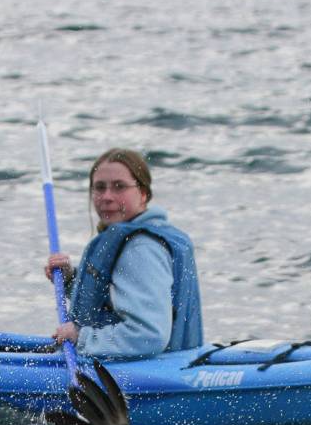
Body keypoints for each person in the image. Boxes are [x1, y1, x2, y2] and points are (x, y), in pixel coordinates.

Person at [44, 148, 204, 359]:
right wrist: (69, 280)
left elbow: (149, 336)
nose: (107, 197)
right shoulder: (146, 238)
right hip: (173, 363)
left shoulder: (141, 249)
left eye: (119, 187)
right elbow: (112, 305)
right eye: (99, 188)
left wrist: (81, 337)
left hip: (147, 374)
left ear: (143, 194)